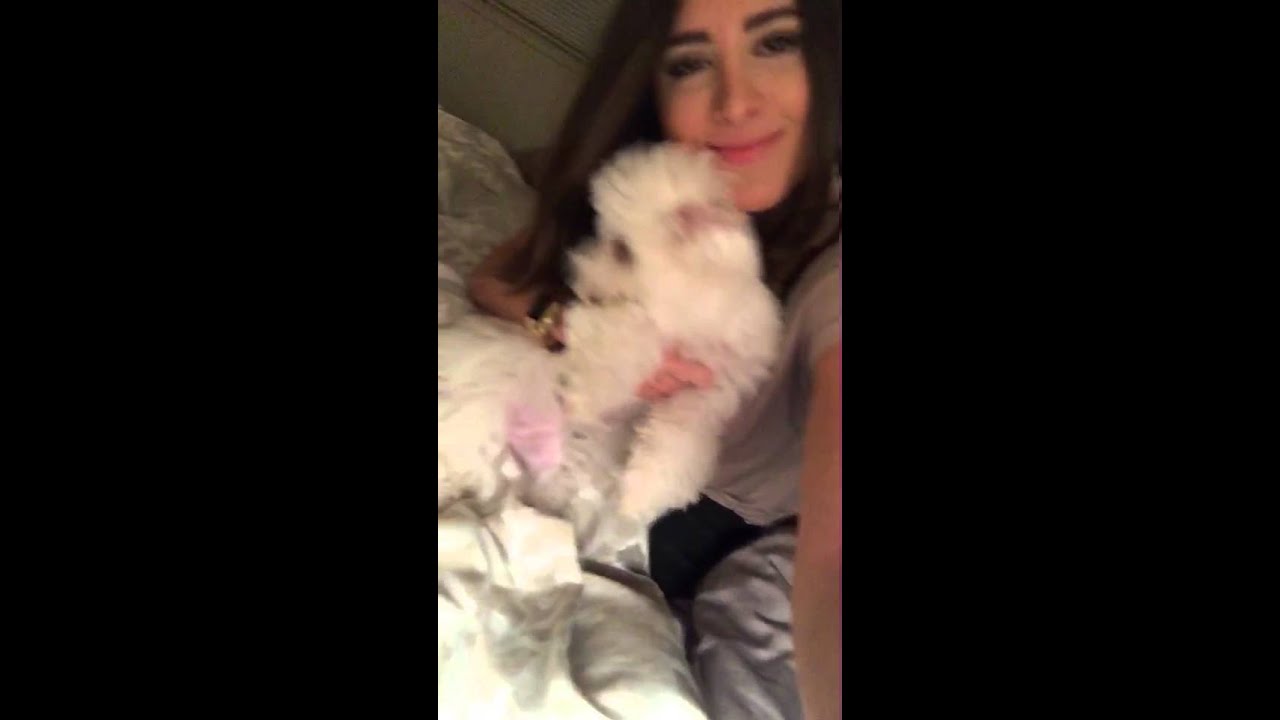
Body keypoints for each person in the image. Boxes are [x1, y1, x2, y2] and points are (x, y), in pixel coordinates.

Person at [466, 1, 841, 718]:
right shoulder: (645, 182)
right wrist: (568, 327)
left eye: (776, 44)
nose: (735, 102)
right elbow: (498, 275)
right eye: (691, 62)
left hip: (717, 506)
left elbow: (832, 573)